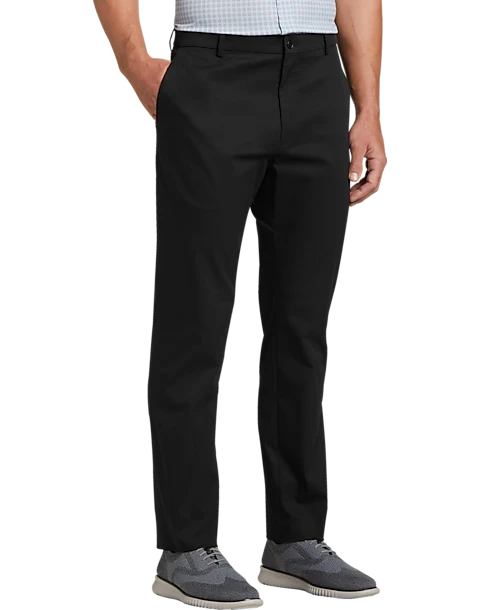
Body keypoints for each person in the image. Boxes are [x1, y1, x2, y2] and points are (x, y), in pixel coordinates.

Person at [94, 0, 387, 606]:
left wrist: (368, 107)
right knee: (194, 324)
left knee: (302, 326)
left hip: (315, 75)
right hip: (212, 69)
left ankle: (296, 539)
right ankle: (185, 548)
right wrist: (137, 62)